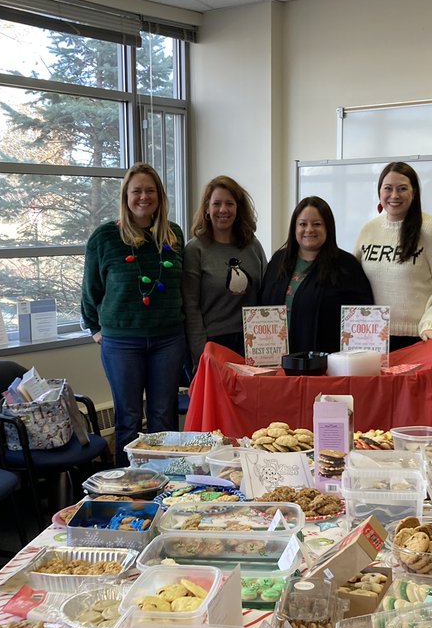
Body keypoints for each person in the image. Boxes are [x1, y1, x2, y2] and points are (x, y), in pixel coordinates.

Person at [81, 163, 186, 464]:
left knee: (163, 416)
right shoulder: (105, 237)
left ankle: (167, 482)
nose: (143, 196)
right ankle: (128, 485)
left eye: (150, 190)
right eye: (136, 190)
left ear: (160, 196)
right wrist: (94, 328)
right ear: (125, 196)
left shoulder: (173, 235)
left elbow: (183, 285)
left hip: (168, 339)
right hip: (122, 342)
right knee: (128, 418)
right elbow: (90, 289)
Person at [355, 162, 432, 352]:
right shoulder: (368, 230)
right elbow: (352, 282)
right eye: (388, 188)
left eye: (402, 188)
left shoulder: (431, 231)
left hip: (421, 338)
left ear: (414, 192)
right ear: (379, 192)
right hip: (372, 338)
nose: (394, 195)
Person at [259, 195, 372, 354]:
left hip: (326, 362)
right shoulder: (279, 261)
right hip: (276, 359)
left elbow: (363, 318)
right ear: (294, 228)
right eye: (302, 224)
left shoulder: (346, 265)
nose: (309, 230)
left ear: (328, 228)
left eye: (317, 224)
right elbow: (262, 306)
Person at [182, 175, 268, 367]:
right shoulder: (195, 250)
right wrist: (201, 354)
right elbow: (191, 307)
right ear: (207, 208)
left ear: (238, 208)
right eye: (217, 204)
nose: (223, 210)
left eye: (230, 203)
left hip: (253, 341)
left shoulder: (252, 245)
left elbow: (266, 292)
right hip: (213, 343)